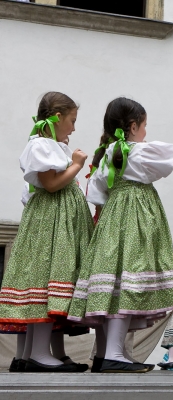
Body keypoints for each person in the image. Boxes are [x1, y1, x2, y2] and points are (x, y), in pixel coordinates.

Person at [67, 97, 173, 373]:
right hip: (135, 220)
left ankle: (106, 353)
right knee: (128, 282)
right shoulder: (138, 151)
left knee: (113, 284)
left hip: (111, 220)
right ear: (133, 127)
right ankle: (114, 355)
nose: (145, 131)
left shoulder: (107, 153)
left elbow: (97, 194)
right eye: (144, 126)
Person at [0, 92, 94, 372]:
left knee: (47, 278)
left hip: (57, 219)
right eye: (72, 120)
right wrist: (76, 165)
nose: (74, 128)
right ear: (57, 117)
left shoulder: (50, 145)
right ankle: (39, 354)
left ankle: (29, 354)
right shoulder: (42, 145)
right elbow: (51, 184)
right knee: (46, 278)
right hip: (51, 221)